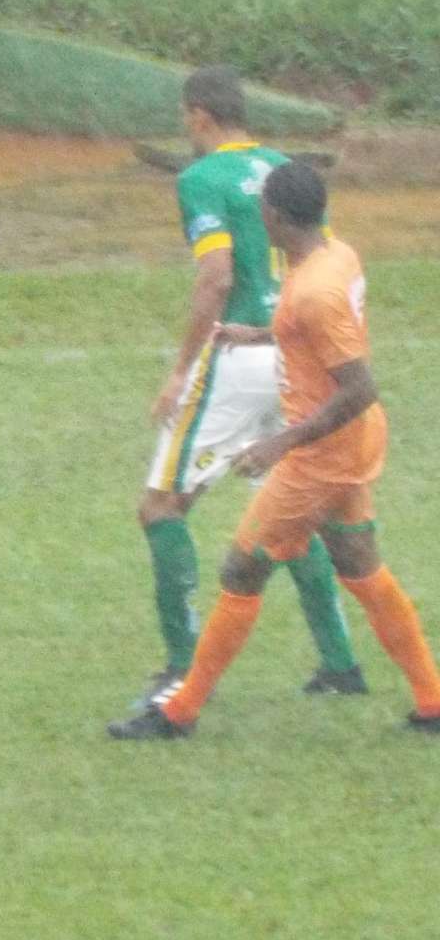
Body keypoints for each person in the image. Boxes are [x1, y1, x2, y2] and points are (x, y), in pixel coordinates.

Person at [112, 160, 440, 737]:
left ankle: (179, 712)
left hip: (323, 457)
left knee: (242, 568)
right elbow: (313, 335)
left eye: (262, 206)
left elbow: (359, 387)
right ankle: (433, 702)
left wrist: (277, 444)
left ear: (277, 217)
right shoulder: (333, 254)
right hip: (353, 448)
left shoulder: (315, 290)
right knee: (360, 566)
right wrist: (264, 334)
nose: (257, 213)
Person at [132, 67, 361, 703]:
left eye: (185, 115)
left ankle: (180, 667)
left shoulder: (200, 179)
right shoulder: (286, 168)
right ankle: (340, 664)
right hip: (292, 354)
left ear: (200, 114)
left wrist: (180, 369)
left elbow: (214, 276)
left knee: (162, 507)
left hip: (236, 355)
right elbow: (324, 258)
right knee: (286, 516)